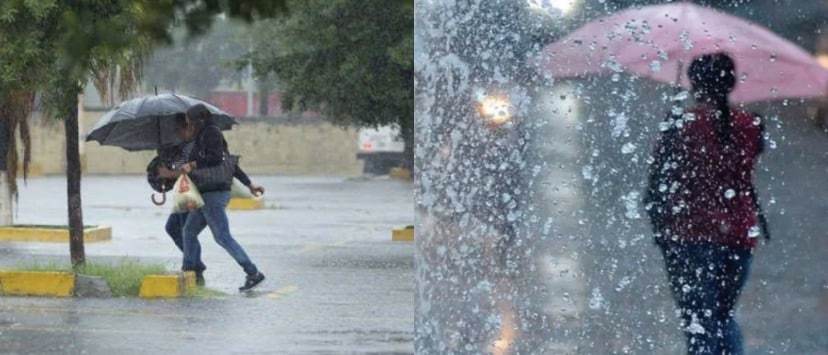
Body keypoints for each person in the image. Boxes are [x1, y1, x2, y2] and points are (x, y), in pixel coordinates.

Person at [644, 52, 765, 355]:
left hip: (690, 234)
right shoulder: (750, 124)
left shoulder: (684, 126)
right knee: (722, 317)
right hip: (739, 235)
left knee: (698, 321)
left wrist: (670, 125)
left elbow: (661, 172)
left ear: (695, 83)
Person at [165, 105, 266, 291]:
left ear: (198, 120)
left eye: (190, 121)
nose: (188, 125)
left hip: (214, 193)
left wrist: (192, 165)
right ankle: (190, 271)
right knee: (188, 232)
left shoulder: (211, 133)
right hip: (206, 193)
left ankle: (253, 272)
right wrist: (250, 185)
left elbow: (216, 159)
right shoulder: (201, 137)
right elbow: (230, 164)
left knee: (222, 237)